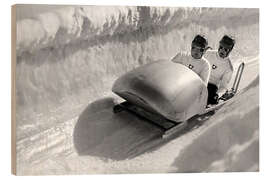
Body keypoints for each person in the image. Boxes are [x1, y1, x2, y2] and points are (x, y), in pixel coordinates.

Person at [204, 35, 235, 105]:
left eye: (226, 49)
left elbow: (223, 86)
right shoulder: (209, 53)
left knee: (210, 95)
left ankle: (208, 103)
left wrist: (218, 95)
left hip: (212, 86)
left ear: (230, 50)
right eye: (221, 47)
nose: (222, 50)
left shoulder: (228, 67)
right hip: (201, 80)